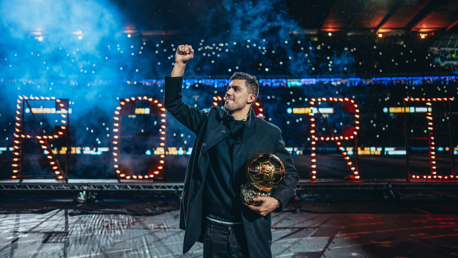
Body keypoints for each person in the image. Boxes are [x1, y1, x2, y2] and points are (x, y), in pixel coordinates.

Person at [164, 44, 299, 257]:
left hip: (252, 228)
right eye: (228, 88)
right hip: (214, 228)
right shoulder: (210, 121)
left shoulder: (269, 133)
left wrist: (277, 200)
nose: (228, 92)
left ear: (251, 98)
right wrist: (179, 64)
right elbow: (174, 104)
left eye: (236, 89)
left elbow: (290, 174)